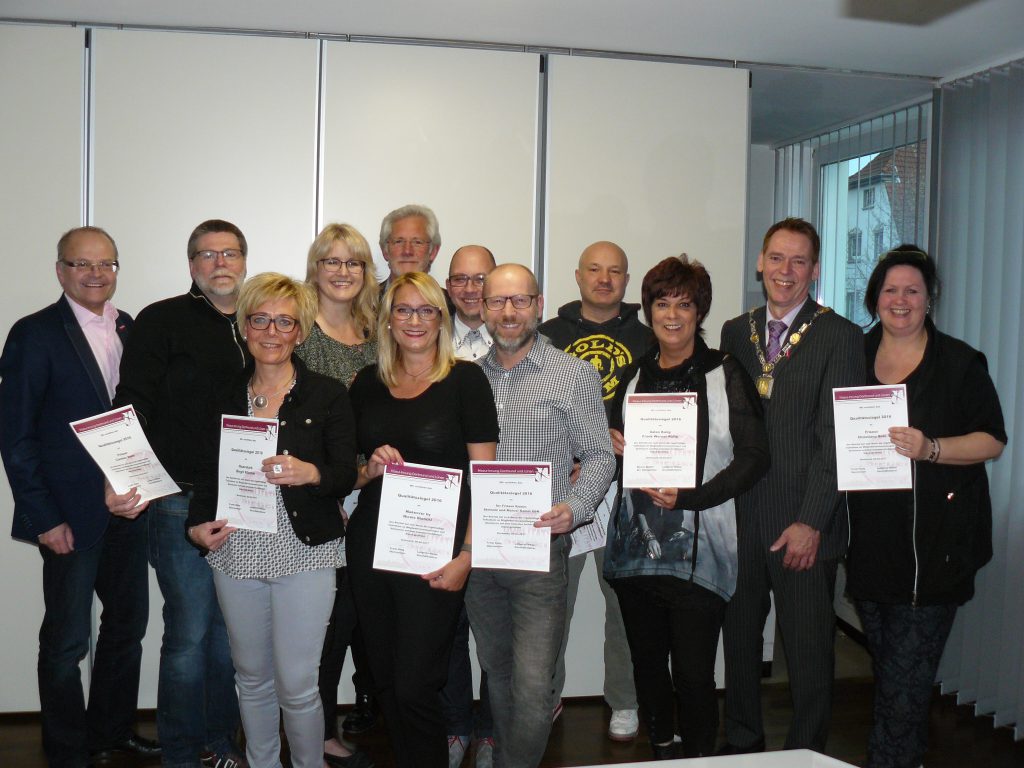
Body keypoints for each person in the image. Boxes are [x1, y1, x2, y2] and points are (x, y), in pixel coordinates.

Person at [0, 227, 160, 767]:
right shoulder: (34, 333)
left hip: (130, 508)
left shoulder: (129, 326)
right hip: (69, 516)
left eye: (106, 264)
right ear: (60, 270)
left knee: (126, 628)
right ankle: (67, 749)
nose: (95, 274)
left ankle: (110, 732)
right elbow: (15, 436)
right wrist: (43, 517)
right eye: (82, 264)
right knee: (67, 642)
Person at [186, 273, 358, 768]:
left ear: (300, 332)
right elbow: (205, 473)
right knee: (251, 678)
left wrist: (312, 473)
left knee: (298, 684)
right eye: (260, 319)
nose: (272, 332)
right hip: (237, 548)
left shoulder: (327, 394)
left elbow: (346, 473)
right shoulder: (222, 394)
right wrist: (195, 526)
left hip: (305, 551)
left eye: (285, 322)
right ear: (245, 327)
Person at [603, 256, 769, 759]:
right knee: (648, 666)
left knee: (695, 675)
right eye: (662, 303)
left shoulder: (724, 372)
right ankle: (661, 748)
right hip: (638, 548)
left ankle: (697, 757)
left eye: (684, 304)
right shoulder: (633, 376)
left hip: (703, 548)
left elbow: (755, 456)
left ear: (700, 312)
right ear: (648, 310)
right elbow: (614, 453)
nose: (672, 315)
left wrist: (692, 497)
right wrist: (611, 444)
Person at [846, 246, 1005, 768]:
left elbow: (992, 440)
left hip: (934, 552)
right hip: (870, 548)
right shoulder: (852, 356)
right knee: (897, 681)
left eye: (912, 290)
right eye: (890, 290)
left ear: (929, 299)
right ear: (875, 298)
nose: (901, 300)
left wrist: (931, 448)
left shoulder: (959, 363)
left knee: (901, 689)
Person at [718, 218, 864, 753]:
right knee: (739, 643)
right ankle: (742, 745)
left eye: (799, 261)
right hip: (741, 517)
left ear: (815, 270)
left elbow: (837, 439)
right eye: (777, 258)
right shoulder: (736, 332)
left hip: (803, 522)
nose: (786, 271)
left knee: (807, 651)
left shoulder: (840, 336)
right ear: (760, 262)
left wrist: (812, 521)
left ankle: (807, 752)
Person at [108, 219, 249, 768]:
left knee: (229, 633)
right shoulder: (161, 319)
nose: (220, 263)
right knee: (190, 632)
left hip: (245, 499)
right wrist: (118, 476)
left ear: (244, 261)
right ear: (192, 265)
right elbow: (131, 402)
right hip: (177, 500)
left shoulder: (261, 321)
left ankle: (219, 742)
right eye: (207, 254)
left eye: (230, 253)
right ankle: (183, 753)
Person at [346, 272, 499, 768]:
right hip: (372, 546)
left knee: (416, 684)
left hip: (436, 552)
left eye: (426, 310)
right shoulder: (366, 384)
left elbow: (485, 478)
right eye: (404, 310)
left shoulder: (466, 381)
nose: (415, 320)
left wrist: (468, 556)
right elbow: (349, 473)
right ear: (388, 320)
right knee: (386, 680)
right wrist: (368, 470)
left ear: (441, 319)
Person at [468, 264, 616, 768]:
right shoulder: (466, 378)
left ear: (538, 304)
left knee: (534, 684)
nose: (508, 312)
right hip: (479, 553)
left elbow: (600, 456)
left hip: (541, 553)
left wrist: (576, 508)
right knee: (497, 672)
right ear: (483, 308)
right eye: (497, 302)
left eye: (520, 301)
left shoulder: (573, 374)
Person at [537, 240, 653, 740]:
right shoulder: (546, 336)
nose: (605, 279)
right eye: (595, 270)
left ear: (626, 280)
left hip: (625, 494)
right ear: (578, 276)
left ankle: (624, 699)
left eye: (615, 271)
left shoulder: (650, 339)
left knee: (624, 605)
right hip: (562, 490)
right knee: (549, 604)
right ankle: (545, 697)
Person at [297, 223, 381, 760]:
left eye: (354, 262)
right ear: (316, 268)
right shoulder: (298, 333)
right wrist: (331, 492)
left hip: (370, 493)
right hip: (320, 497)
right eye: (332, 261)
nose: (343, 271)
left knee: (352, 618)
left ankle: (335, 720)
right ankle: (318, 731)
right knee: (322, 627)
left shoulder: (377, 335)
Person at [442, 244, 497, 767]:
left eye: (481, 279)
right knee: (451, 626)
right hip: (442, 507)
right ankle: (457, 725)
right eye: (460, 278)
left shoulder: (522, 340)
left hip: (503, 506)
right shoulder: (428, 339)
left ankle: (492, 730)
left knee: (496, 630)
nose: (470, 288)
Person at [378, 205, 442, 287]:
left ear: (433, 252)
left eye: (417, 242)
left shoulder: (450, 296)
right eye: (399, 242)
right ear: (385, 251)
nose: (407, 251)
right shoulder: (367, 296)